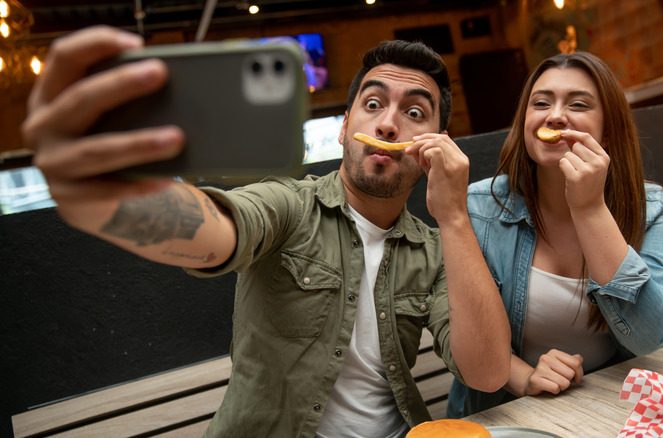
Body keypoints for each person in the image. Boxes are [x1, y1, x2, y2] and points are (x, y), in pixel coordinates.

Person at [23, 26, 511, 437]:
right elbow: (216, 230)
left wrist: (453, 217)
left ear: (435, 145)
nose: (387, 124)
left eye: (414, 113)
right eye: (373, 103)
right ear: (344, 127)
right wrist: (112, 198)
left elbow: (486, 374)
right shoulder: (288, 205)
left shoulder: (435, 249)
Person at [446, 51, 663, 418]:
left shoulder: (653, 208)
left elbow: (650, 338)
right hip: (505, 413)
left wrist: (590, 210)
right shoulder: (479, 208)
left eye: (578, 104)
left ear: (608, 128)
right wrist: (525, 377)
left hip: (612, 407)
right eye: (541, 103)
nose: (555, 115)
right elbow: (463, 333)